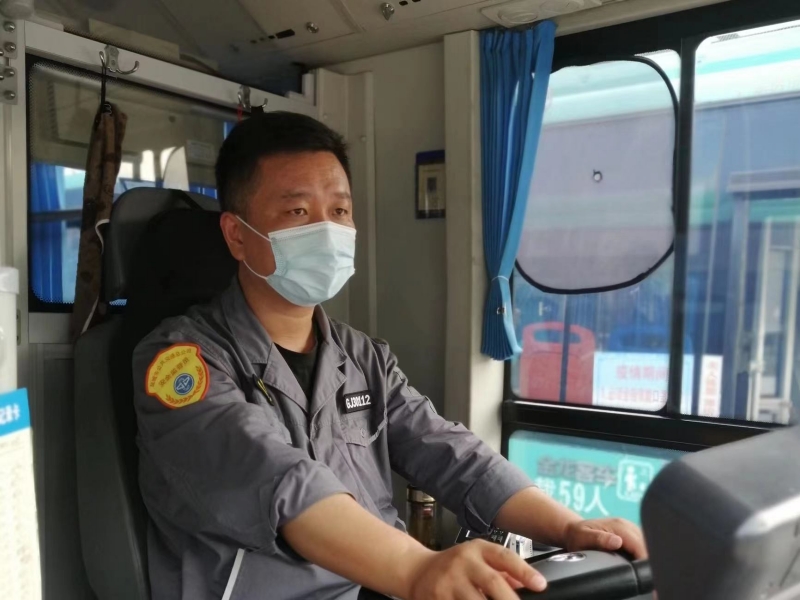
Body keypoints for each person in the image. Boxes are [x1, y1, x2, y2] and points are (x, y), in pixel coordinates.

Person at [132, 112, 646, 600]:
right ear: (237, 235)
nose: (326, 230)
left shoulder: (363, 358)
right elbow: (280, 481)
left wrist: (569, 527)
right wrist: (418, 568)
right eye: (298, 212)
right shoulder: (180, 363)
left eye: (339, 211)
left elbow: (451, 453)